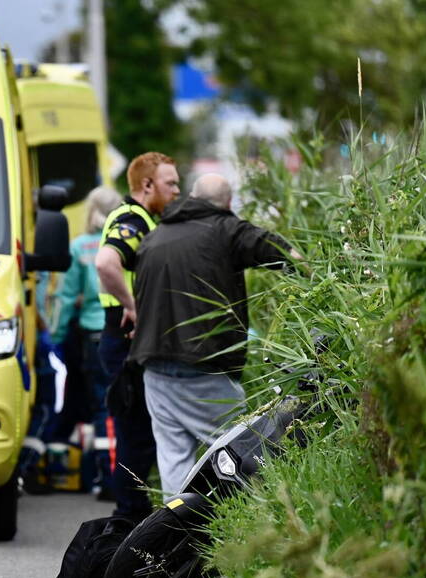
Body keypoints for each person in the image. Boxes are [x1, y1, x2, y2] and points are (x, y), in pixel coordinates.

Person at [129, 173, 304, 493]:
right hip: (205, 367)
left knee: (173, 457)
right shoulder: (227, 229)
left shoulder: (154, 238)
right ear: (227, 202)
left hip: (154, 366)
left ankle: (178, 532)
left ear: (193, 196)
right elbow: (292, 258)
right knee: (238, 452)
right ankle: (241, 529)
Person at [94, 153, 181, 520]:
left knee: (139, 435)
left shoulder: (146, 220)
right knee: (136, 436)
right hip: (126, 340)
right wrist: (133, 305)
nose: (177, 190)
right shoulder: (132, 220)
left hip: (129, 342)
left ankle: (132, 513)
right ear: (147, 186)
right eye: (171, 184)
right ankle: (128, 517)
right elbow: (105, 263)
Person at [50, 186, 123, 498]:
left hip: (91, 337)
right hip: (120, 331)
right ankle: (121, 477)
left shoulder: (79, 248)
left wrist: (56, 336)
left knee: (98, 406)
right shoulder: (124, 245)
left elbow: (66, 299)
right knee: (120, 406)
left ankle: (104, 479)